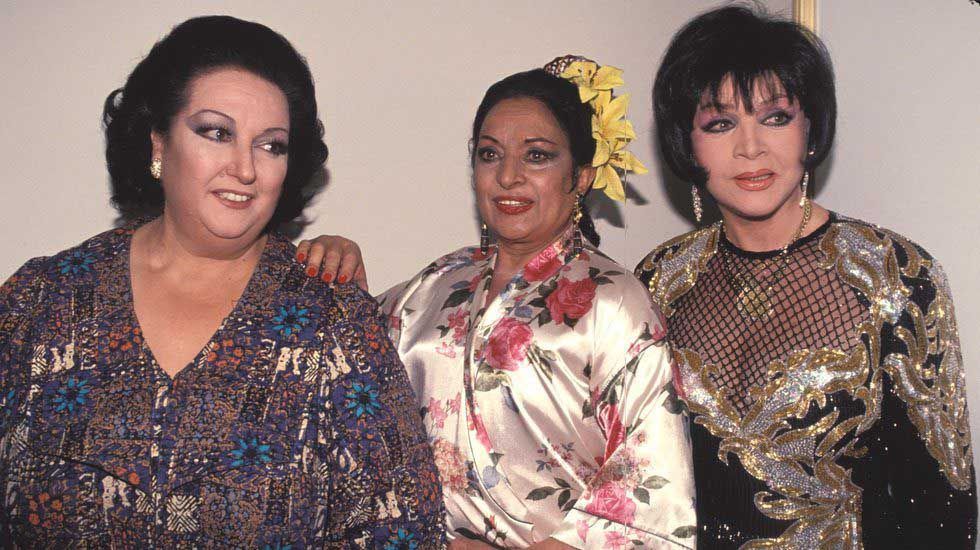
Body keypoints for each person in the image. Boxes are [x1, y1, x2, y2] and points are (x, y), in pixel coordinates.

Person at [0, 16, 444, 547]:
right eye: (216, 132)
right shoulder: (44, 301)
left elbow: (405, 526)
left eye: (271, 145)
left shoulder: (332, 317)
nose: (245, 167)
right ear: (158, 143)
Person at [303, 57, 696, 549]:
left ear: (581, 176)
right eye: (489, 155)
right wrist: (341, 268)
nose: (508, 176)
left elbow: (648, 490)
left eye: (537, 156)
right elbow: (345, 373)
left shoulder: (615, 302)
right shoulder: (439, 283)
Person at [633, 6, 976, 548]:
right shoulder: (659, 281)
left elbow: (941, 502)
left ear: (811, 128)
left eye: (775, 117)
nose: (750, 148)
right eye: (720, 123)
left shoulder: (896, 276)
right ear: (688, 142)